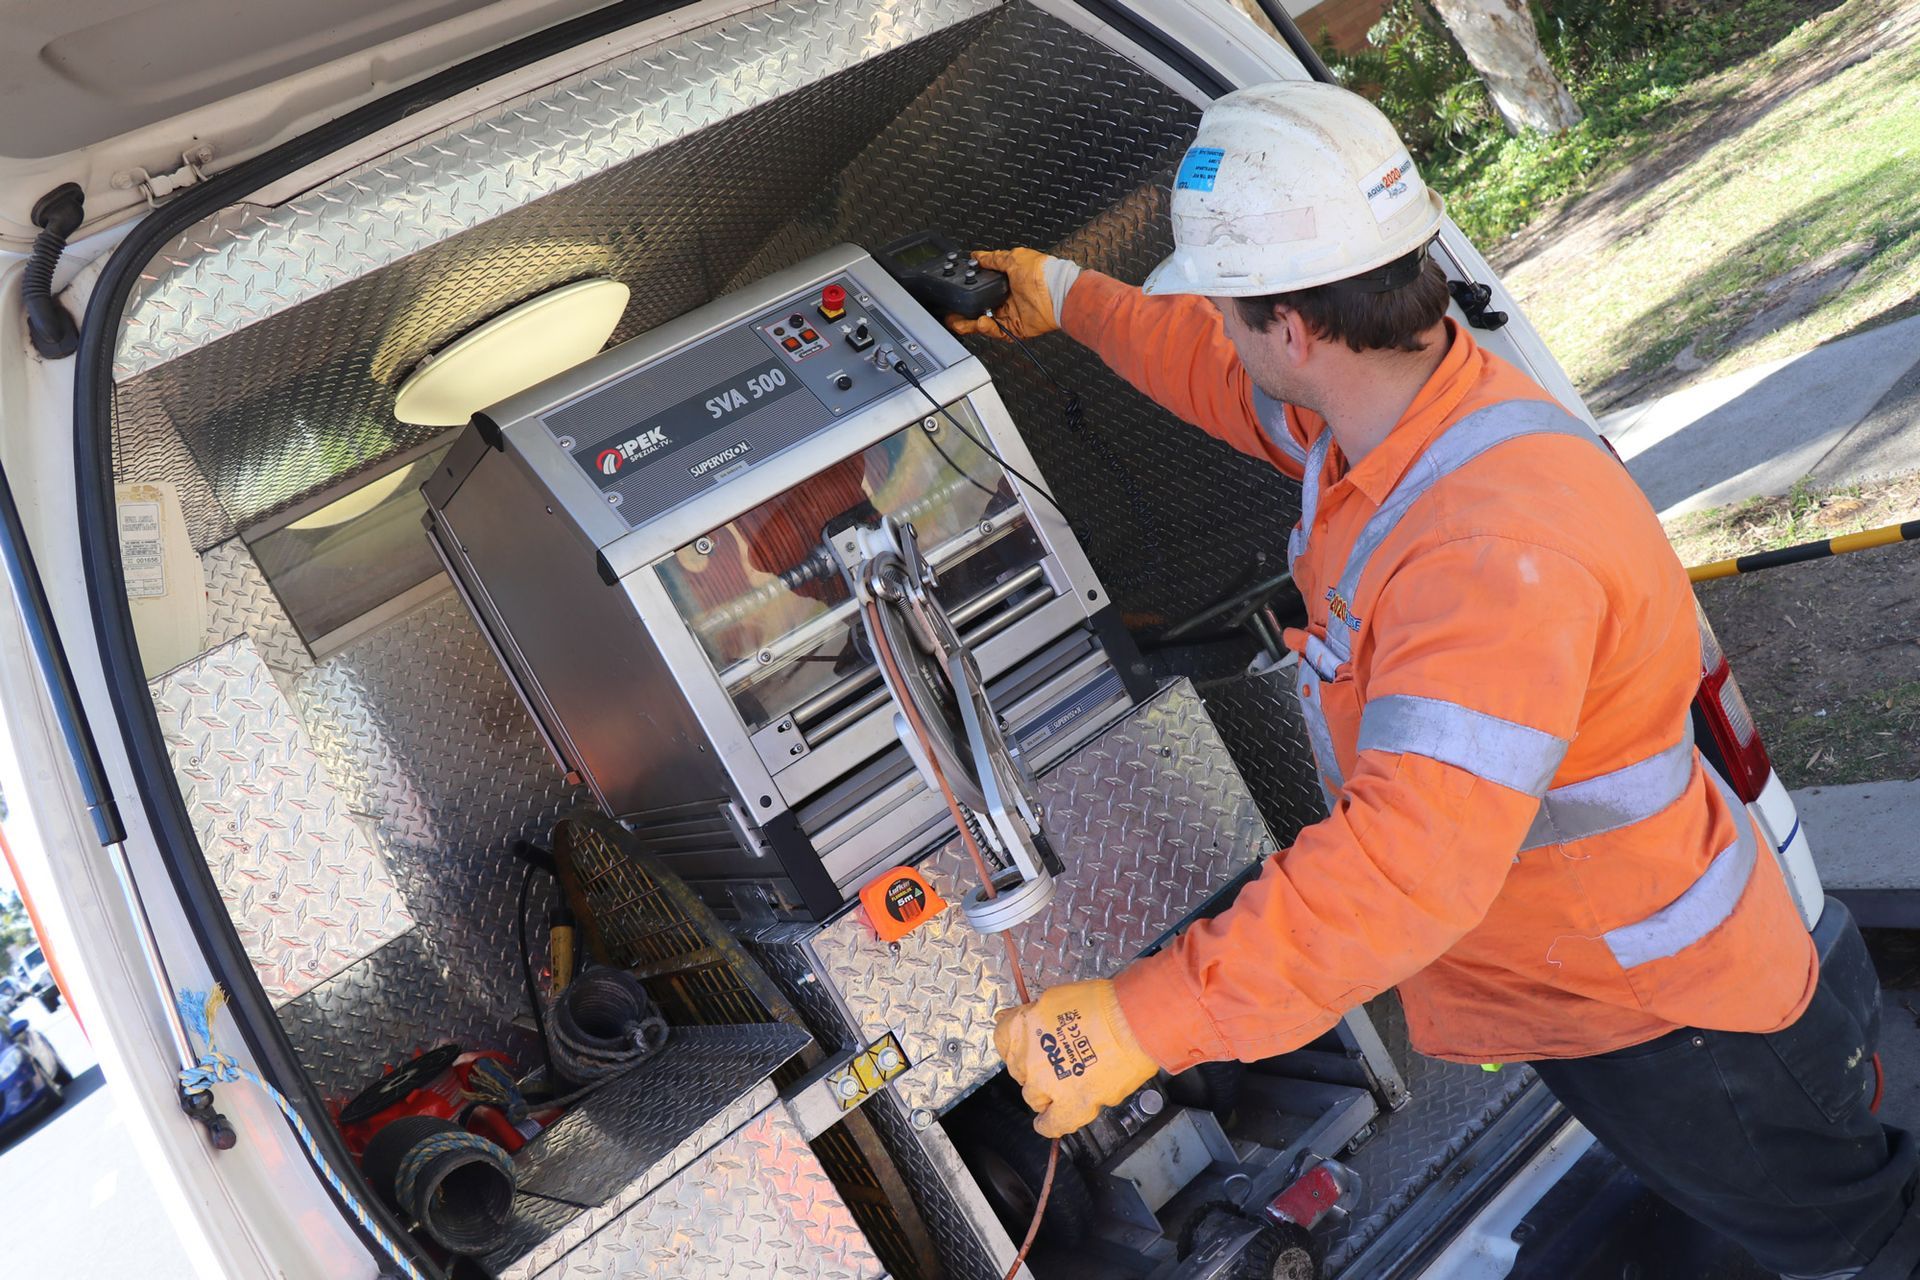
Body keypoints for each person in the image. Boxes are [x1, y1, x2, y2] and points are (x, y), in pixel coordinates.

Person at [970, 80, 1920, 1278]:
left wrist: (1141, 1017)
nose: (1219, 326)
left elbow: (1402, 870)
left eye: (1230, 303)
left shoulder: (1485, 551)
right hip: (1592, 986)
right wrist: (1065, 297)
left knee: (1856, 1244)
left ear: (1296, 328)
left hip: (1680, 1024)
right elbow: (1210, 365)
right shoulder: (1388, 413)